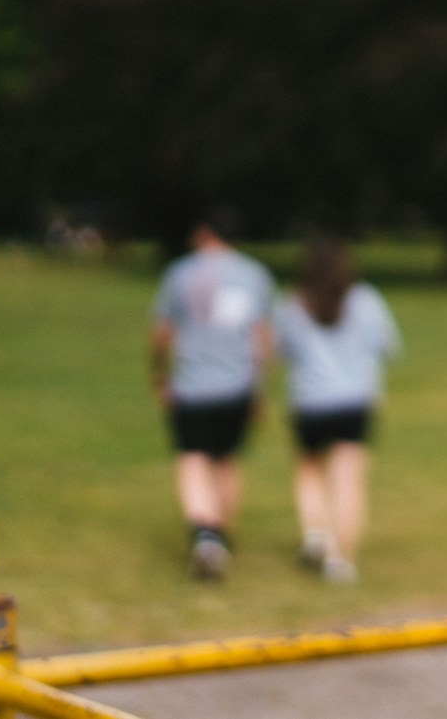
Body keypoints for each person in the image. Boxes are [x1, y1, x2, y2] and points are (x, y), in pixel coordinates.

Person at [150, 212, 275, 580]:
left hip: (191, 385)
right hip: (237, 384)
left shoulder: (180, 273)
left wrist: (159, 372)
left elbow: (162, 332)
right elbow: (263, 339)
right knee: (227, 460)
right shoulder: (254, 274)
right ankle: (221, 532)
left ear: (204, 234)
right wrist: (260, 386)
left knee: (192, 459)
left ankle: (205, 533)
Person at [275, 236, 401, 583]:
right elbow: (390, 346)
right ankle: (341, 561)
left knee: (310, 470)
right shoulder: (367, 299)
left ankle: (316, 532)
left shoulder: (293, 302)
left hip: (309, 403)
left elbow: (279, 351)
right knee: (348, 481)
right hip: (356, 402)